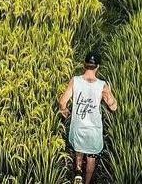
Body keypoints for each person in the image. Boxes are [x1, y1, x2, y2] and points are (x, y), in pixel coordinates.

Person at [59, 51, 118, 184]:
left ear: (84, 65)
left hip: (78, 127)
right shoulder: (102, 85)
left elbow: (62, 101)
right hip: (93, 130)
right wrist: (110, 97)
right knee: (91, 157)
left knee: (79, 150)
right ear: (97, 67)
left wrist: (64, 111)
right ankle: (87, 181)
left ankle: (78, 173)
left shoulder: (75, 81)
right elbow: (113, 107)